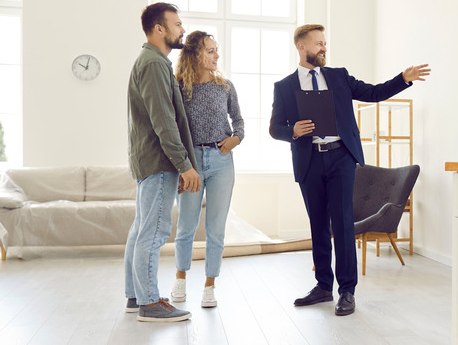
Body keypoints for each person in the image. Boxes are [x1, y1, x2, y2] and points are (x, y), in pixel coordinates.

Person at [269, 24, 430, 316]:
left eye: (325, 43)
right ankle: (322, 287)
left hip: (341, 158)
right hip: (309, 162)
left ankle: (347, 291)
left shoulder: (339, 76)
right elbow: (274, 128)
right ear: (302, 47)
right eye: (318, 43)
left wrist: (403, 79)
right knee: (318, 224)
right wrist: (292, 130)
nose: (324, 48)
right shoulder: (284, 87)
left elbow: (374, 92)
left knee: (342, 223)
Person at [123, 2, 201, 323]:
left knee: (141, 229)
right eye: (177, 24)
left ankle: (136, 295)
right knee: (153, 233)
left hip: (149, 160)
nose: (182, 30)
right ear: (160, 29)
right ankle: (150, 303)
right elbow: (164, 122)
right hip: (158, 161)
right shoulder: (154, 64)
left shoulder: (152, 62)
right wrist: (184, 164)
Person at [171, 31, 244, 308]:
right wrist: (182, 166)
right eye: (210, 50)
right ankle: (180, 278)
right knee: (186, 226)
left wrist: (235, 139)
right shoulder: (178, 88)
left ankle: (210, 285)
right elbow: (174, 129)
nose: (216, 56)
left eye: (216, 50)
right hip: (191, 165)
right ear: (195, 55)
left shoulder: (225, 86)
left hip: (222, 161)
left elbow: (238, 121)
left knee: (216, 229)